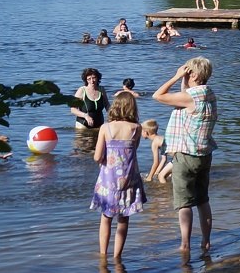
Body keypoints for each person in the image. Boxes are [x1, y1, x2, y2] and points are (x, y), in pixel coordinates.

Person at [152, 58, 218, 252]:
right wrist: (185, 79)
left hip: (185, 154)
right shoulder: (209, 93)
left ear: (194, 75)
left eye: (188, 73)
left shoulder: (190, 97)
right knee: (203, 200)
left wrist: (176, 76)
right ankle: (206, 241)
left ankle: (185, 244)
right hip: (204, 153)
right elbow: (185, 95)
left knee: (184, 203)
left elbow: (158, 95)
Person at [90, 91, 147, 260]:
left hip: (109, 178)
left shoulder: (106, 127)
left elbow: (97, 156)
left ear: (115, 106)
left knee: (106, 217)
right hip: (129, 178)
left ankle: (103, 255)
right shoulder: (136, 128)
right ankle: (117, 257)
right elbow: (133, 151)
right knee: (124, 218)